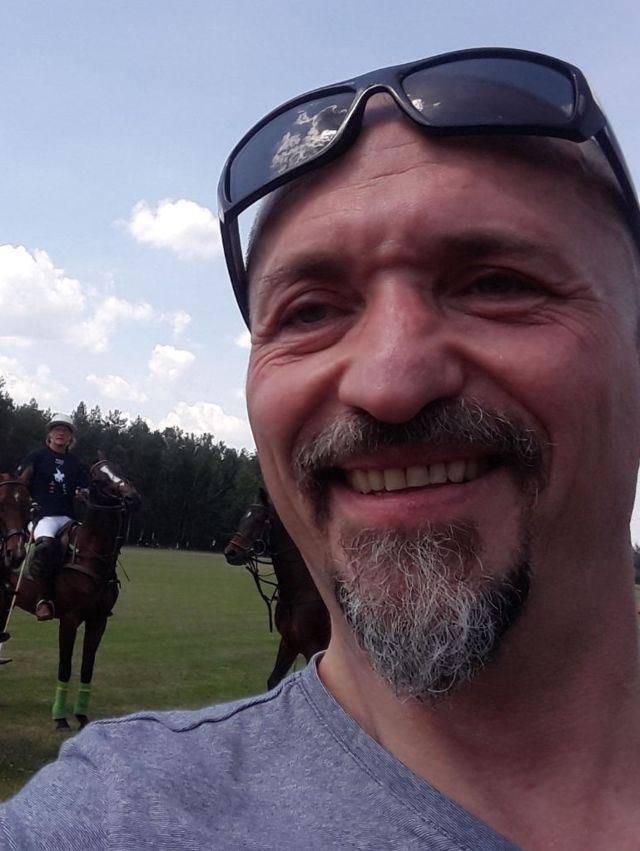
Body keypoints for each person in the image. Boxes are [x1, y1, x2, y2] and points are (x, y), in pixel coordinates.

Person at [2, 48, 640, 849]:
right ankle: (32, 598)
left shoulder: (76, 459)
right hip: (48, 516)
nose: (389, 381)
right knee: (44, 544)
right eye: (308, 312)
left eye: (497, 284)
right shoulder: (113, 818)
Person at [16, 413, 89, 621]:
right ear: (50, 434)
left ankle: (89, 597)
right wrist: (27, 503)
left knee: (88, 547)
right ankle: (42, 600)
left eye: (65, 431)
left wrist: (83, 493)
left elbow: (85, 488)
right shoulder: (36, 457)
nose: (61, 433)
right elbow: (19, 485)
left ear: (70, 438)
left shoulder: (75, 463)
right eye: (57, 429)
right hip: (42, 516)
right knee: (47, 546)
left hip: (68, 518)